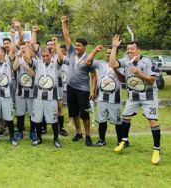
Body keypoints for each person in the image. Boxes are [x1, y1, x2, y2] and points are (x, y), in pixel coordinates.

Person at [109, 35, 161, 165]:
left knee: (152, 121)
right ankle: (124, 140)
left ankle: (156, 149)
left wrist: (139, 73)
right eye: (127, 49)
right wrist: (115, 47)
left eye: (131, 49)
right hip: (133, 96)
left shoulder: (148, 61)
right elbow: (112, 64)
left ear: (138, 50)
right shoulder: (126, 61)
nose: (129, 51)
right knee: (125, 117)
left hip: (148, 95)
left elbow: (152, 80)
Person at [61, 15, 97, 146]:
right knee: (74, 113)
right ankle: (79, 133)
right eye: (75, 45)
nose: (76, 47)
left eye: (79, 46)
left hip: (83, 90)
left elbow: (93, 76)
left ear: (85, 47)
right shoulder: (71, 53)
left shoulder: (89, 58)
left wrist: (93, 90)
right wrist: (64, 23)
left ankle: (88, 135)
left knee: (84, 114)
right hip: (70, 88)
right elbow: (66, 36)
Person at [85, 45, 124, 146]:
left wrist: (115, 69)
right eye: (107, 53)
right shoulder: (101, 64)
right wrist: (96, 50)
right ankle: (102, 140)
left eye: (110, 53)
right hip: (101, 98)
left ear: (116, 54)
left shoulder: (121, 65)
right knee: (102, 120)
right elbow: (88, 61)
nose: (108, 54)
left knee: (117, 121)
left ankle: (120, 141)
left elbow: (123, 80)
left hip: (114, 99)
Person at [31, 37, 63, 147]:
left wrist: (57, 43)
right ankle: (39, 138)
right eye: (43, 56)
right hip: (38, 96)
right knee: (38, 119)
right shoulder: (38, 63)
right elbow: (27, 58)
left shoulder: (55, 64)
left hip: (51, 96)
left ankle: (56, 139)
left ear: (51, 55)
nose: (45, 58)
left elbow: (60, 57)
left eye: (47, 56)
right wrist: (27, 45)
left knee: (53, 119)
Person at [13, 41, 35, 140]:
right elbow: (14, 67)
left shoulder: (34, 60)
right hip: (20, 91)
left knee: (31, 113)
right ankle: (20, 131)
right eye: (22, 48)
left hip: (31, 92)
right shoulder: (19, 59)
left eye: (25, 48)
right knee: (20, 113)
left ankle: (32, 131)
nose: (23, 50)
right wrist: (17, 57)